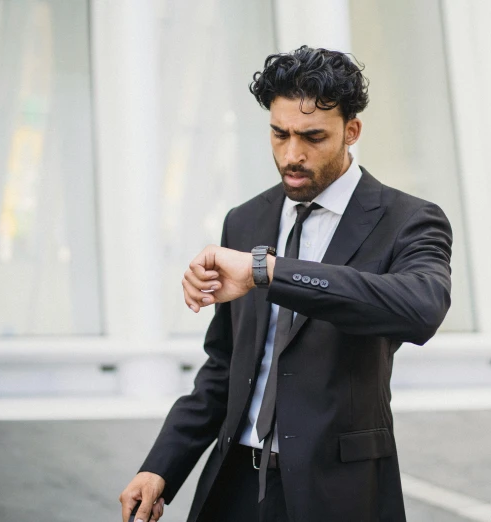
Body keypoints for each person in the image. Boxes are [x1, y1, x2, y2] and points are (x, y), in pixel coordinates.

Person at [119, 45, 452, 522]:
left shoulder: (408, 220)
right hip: (232, 484)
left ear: (351, 131)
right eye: (280, 134)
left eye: (313, 137)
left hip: (338, 493)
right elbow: (223, 367)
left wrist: (267, 272)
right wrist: (161, 467)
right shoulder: (245, 220)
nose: (292, 154)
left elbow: (421, 307)